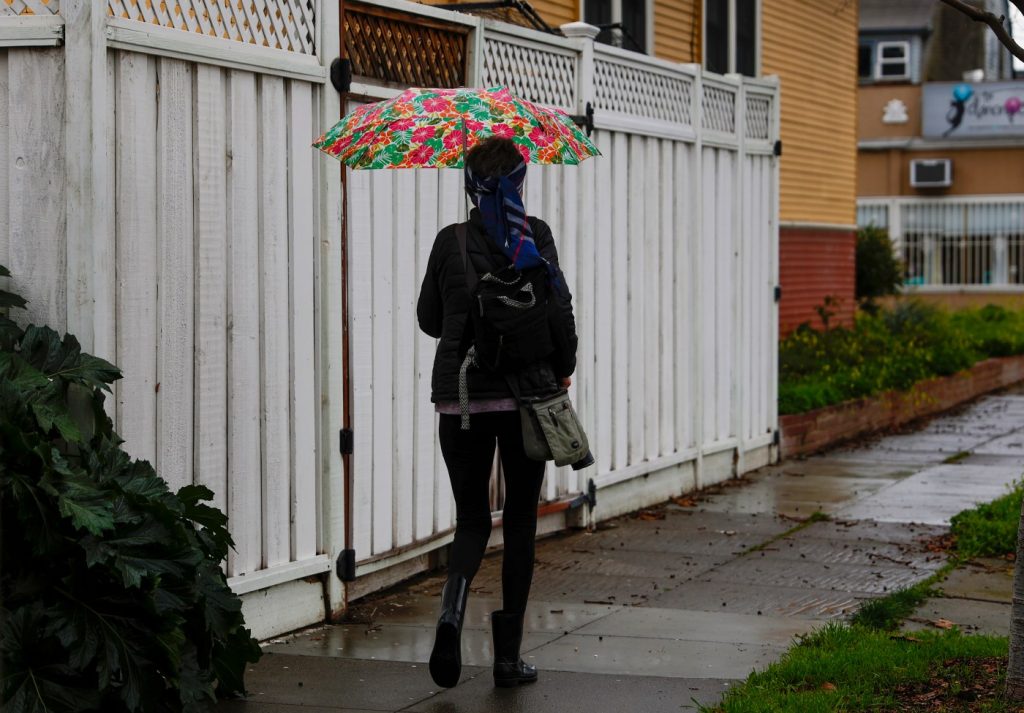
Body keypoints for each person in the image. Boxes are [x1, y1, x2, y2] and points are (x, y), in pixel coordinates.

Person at [416, 136, 578, 689]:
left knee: (471, 520)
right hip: (525, 399)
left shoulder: (449, 242)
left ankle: (450, 614)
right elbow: (559, 308)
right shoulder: (535, 236)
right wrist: (564, 365)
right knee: (521, 521)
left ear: (468, 184)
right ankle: (507, 660)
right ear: (520, 183)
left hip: (460, 399)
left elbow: (428, 319)